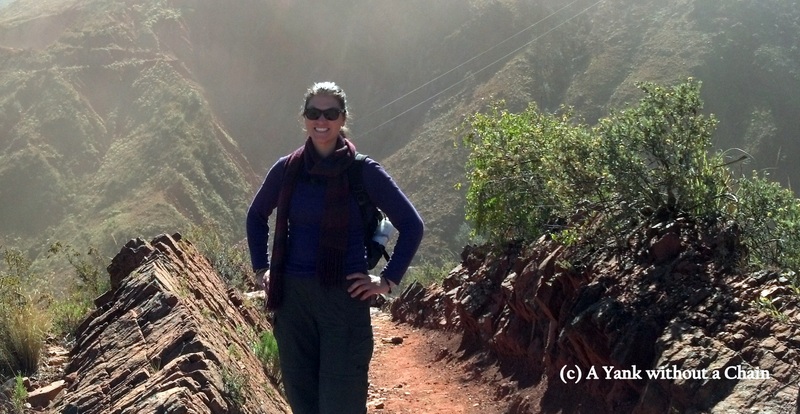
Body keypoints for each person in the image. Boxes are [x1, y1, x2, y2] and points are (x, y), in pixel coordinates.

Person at [246, 81, 424, 414]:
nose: (321, 120)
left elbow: (412, 225)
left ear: (343, 119)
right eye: (314, 113)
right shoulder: (288, 170)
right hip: (293, 303)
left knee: (340, 403)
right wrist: (262, 268)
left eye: (330, 113)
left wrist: (386, 280)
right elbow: (256, 215)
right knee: (304, 402)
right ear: (304, 118)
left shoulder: (363, 171)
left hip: (344, 301)